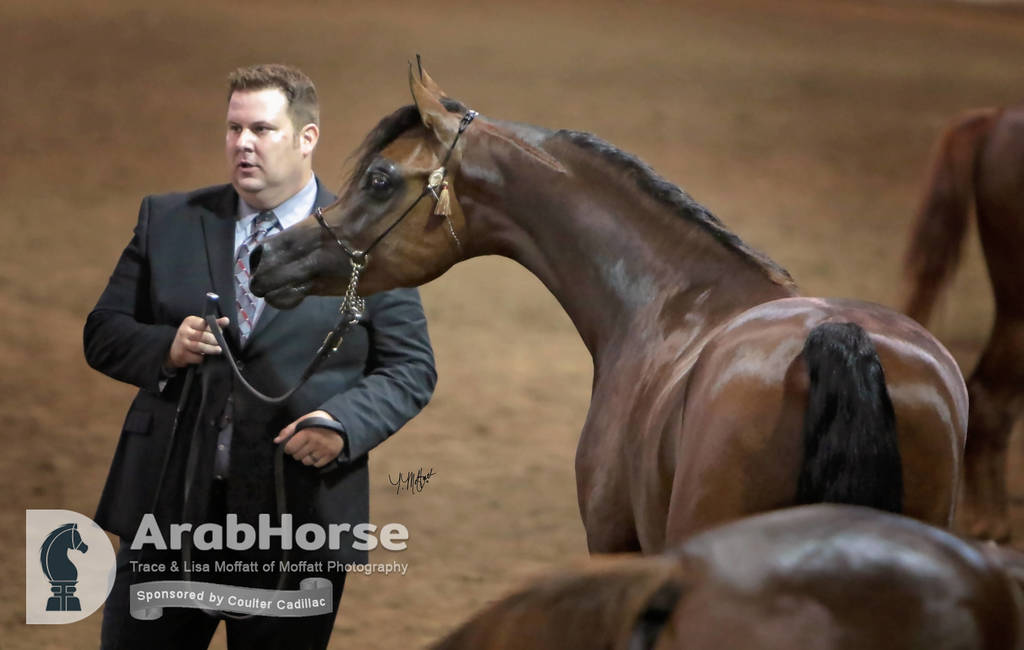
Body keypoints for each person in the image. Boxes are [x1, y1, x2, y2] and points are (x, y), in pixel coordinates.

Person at [84, 63, 436, 650]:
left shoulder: (367, 244)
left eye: (262, 130)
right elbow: (104, 331)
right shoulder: (168, 221)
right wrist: (165, 349)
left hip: (298, 520)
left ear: (307, 138)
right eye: (233, 128)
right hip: (168, 513)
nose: (243, 144)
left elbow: (410, 367)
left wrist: (343, 426)